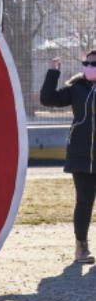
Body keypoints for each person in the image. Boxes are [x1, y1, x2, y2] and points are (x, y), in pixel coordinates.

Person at [40, 53, 96, 264]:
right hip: (81, 157)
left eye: (94, 64)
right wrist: (54, 72)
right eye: (86, 64)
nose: (89, 67)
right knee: (84, 202)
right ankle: (81, 247)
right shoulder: (76, 88)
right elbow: (48, 99)